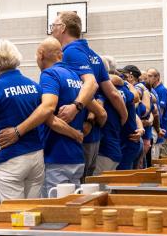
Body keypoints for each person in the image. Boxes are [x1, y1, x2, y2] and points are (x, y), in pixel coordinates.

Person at [0, 37, 85, 196]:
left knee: (54, 212)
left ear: (41, 54)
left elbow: (47, 111)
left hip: (57, 155)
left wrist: (17, 131)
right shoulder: (76, 76)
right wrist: (83, 128)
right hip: (76, 156)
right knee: (73, 207)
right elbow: (97, 107)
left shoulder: (49, 74)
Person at [50, 11, 126, 178]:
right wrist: (123, 119)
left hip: (81, 133)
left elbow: (91, 83)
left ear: (63, 28)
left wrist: (75, 107)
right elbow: (113, 93)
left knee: (77, 186)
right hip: (94, 136)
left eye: (53, 26)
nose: (52, 30)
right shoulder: (94, 56)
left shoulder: (70, 52)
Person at [0, 40, 45, 201]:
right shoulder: (34, 86)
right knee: (32, 214)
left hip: (10, 159)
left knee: (14, 217)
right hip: (36, 156)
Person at [93, 57, 134, 175]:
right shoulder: (123, 87)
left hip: (105, 149)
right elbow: (134, 98)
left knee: (98, 190)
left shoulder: (101, 88)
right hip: (115, 146)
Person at [147, 68, 167, 157]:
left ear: (157, 77)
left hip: (163, 129)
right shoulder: (153, 90)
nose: (147, 78)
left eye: (150, 76)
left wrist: (157, 127)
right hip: (158, 129)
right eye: (147, 76)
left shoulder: (162, 90)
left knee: (162, 160)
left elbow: (159, 112)